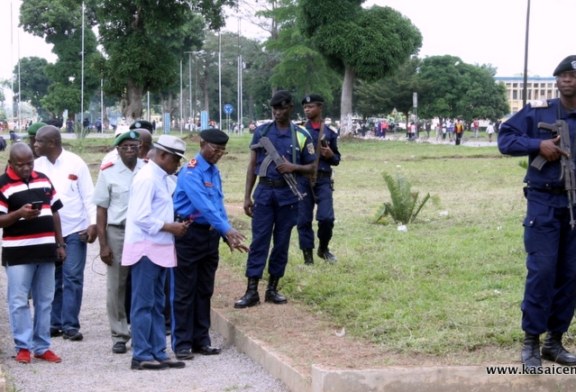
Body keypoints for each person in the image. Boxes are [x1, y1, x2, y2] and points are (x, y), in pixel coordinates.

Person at [498, 54, 576, 370]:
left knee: (570, 275)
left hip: (575, 205)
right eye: (564, 76)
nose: (568, 80)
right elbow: (505, 139)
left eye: (573, 76)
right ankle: (531, 340)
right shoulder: (538, 111)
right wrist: (537, 145)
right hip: (543, 203)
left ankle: (554, 342)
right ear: (557, 80)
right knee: (542, 272)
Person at [171, 128, 249, 360]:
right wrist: (227, 228)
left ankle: (201, 340)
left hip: (210, 235)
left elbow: (217, 205)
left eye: (223, 151)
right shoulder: (191, 171)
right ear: (203, 144)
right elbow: (203, 205)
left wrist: (225, 234)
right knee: (185, 291)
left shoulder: (214, 172)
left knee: (205, 290)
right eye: (215, 149)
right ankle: (182, 343)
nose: (218, 154)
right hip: (189, 234)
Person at [234, 90, 316, 309]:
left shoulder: (300, 134)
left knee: (281, 243)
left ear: (290, 108)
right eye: (274, 109)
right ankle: (251, 290)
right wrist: (246, 196)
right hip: (264, 193)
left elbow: (312, 166)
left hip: (288, 196)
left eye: (281, 108)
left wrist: (293, 167)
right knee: (259, 241)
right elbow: (253, 165)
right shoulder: (262, 132)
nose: (277, 113)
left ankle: (272, 288)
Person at [121, 134, 189, 370]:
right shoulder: (148, 178)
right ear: (162, 156)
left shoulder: (163, 177)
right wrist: (170, 226)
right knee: (143, 303)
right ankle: (141, 354)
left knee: (158, 304)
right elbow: (141, 217)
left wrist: (174, 224)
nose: (178, 165)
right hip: (145, 248)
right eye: (176, 160)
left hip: (160, 247)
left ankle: (158, 351)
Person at [0, 143, 65, 364]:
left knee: (45, 300)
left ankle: (42, 346)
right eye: (21, 165)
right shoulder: (3, 184)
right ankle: (23, 346)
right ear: (11, 163)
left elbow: (54, 212)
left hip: (46, 250)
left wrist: (60, 243)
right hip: (18, 254)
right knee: (18, 301)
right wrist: (19, 214)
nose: (27, 168)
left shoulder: (43, 179)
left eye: (30, 163)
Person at [33, 125, 97, 342]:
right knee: (52, 278)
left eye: (39, 141)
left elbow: (89, 197)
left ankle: (70, 325)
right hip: (48, 232)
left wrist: (93, 224)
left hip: (75, 230)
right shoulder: (36, 166)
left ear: (52, 143)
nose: (35, 144)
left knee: (72, 277)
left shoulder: (75, 163)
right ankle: (55, 323)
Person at [93, 131, 145, 354]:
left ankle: (142, 331)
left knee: (144, 282)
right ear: (118, 150)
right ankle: (119, 335)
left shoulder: (149, 169)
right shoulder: (108, 173)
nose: (130, 150)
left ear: (140, 147)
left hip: (144, 232)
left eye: (134, 146)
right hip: (118, 232)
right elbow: (101, 210)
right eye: (125, 147)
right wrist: (103, 244)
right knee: (117, 285)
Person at [297, 94, 341, 265]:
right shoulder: (299, 131)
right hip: (303, 180)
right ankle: (308, 259)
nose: (307, 110)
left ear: (320, 108)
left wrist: (331, 155)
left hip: (323, 180)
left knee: (326, 218)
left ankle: (323, 248)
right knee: (303, 220)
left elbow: (336, 159)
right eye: (305, 107)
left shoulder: (330, 132)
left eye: (311, 106)